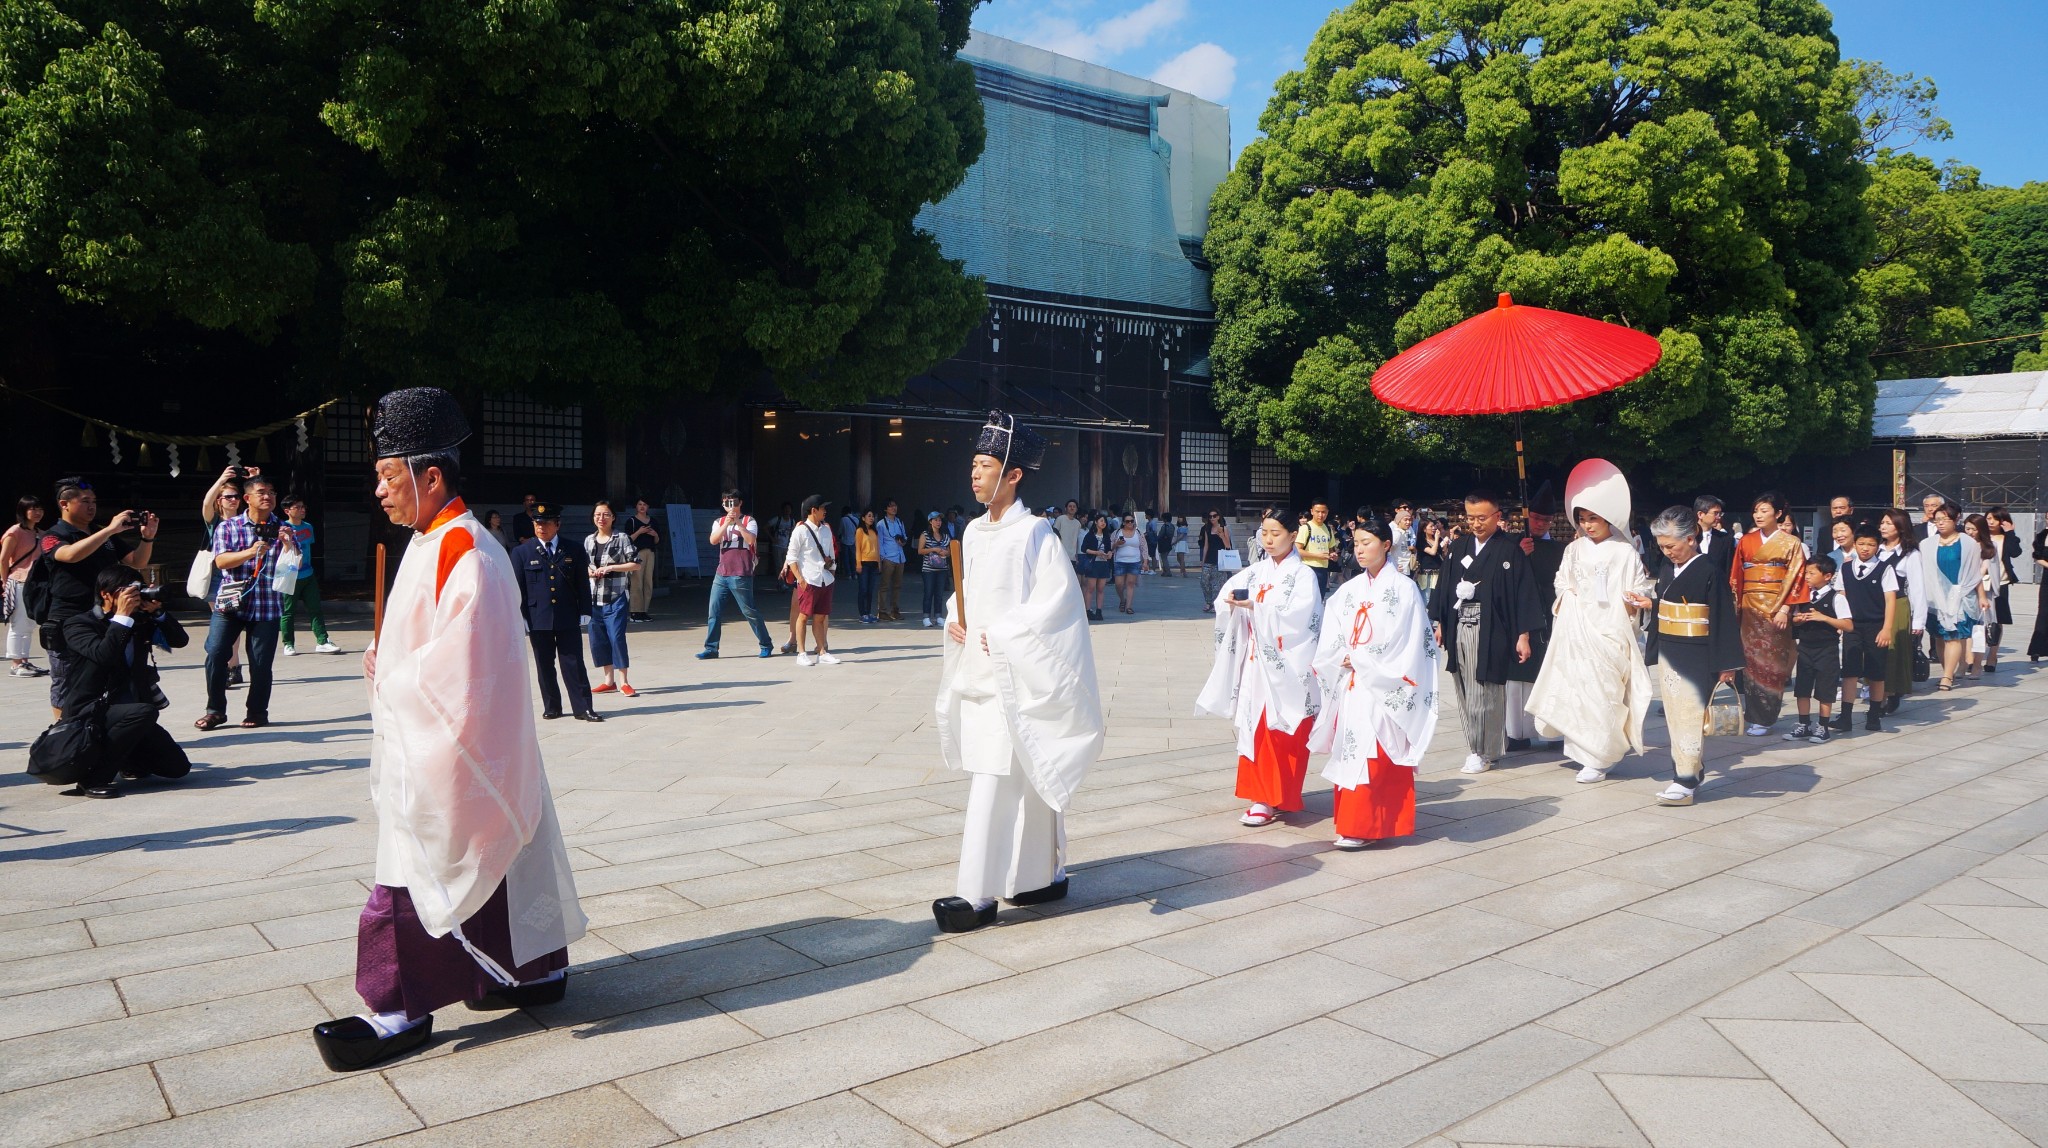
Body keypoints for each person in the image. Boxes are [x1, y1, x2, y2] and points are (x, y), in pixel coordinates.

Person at [313, 386, 586, 1073]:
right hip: (471, 742)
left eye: (386, 476)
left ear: (430, 476)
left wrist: (397, 678)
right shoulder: (433, 540)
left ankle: (396, 1006)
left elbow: (466, 671)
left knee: (413, 869)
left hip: (453, 740)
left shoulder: (468, 551)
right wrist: (392, 659)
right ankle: (531, 969)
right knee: (505, 846)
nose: (379, 491)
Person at [931, 411, 1101, 933]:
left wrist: (1008, 636)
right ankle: (1039, 877)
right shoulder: (975, 532)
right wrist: (955, 619)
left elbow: (1058, 603)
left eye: (985, 466)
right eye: (973, 465)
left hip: (1015, 667)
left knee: (1001, 777)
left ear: (1013, 474)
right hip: (982, 667)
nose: (974, 475)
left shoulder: (1035, 533)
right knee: (1020, 773)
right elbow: (970, 594)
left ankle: (976, 894)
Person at [1524, 460, 1655, 783]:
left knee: (1606, 691)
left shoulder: (1625, 552)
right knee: (1580, 690)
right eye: (1582, 519)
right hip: (1578, 629)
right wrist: (1570, 599)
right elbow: (1561, 582)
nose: (1587, 525)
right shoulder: (1574, 549)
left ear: (1607, 518)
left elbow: (1638, 586)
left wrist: (1632, 604)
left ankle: (1603, 752)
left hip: (1610, 631)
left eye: (1593, 518)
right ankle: (1586, 752)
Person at [1310, 520, 1438, 848]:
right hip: (1354, 683)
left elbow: (1408, 642)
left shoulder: (1404, 589)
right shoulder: (1349, 590)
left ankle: (1368, 826)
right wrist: (1340, 655)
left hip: (1384, 684)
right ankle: (1355, 823)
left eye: (1367, 542)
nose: (1361, 549)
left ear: (1386, 544)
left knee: (1376, 754)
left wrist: (1365, 660)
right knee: (1353, 748)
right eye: (1356, 544)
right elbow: (1334, 629)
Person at [1198, 508, 1324, 827]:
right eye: (1264, 533)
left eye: (1276, 534)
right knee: (1257, 728)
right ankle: (1261, 797)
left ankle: (1276, 795)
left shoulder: (1303, 575)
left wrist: (1258, 606)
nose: (1268, 540)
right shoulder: (1256, 572)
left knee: (1283, 730)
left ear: (1293, 535)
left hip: (1287, 667)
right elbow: (1226, 597)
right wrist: (1232, 604)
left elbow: (1303, 619)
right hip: (1257, 663)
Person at [45, 565, 193, 797]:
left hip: (130, 709)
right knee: (144, 712)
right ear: (106, 594)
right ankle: (92, 780)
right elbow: (104, 655)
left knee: (177, 768)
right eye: (129, 591)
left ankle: (128, 759)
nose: (135, 596)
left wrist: (158, 614)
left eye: (139, 589)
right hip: (90, 711)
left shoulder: (139, 620)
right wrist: (122, 618)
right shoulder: (79, 624)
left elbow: (180, 640)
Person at [1632, 507, 1743, 806]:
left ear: (1691, 538)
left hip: (1699, 653)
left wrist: (1726, 665)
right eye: (1663, 547)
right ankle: (1689, 770)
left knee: (1691, 716)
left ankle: (1685, 780)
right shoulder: (1668, 569)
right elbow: (1667, 603)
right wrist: (1650, 604)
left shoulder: (1709, 571)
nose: (1667, 552)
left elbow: (1722, 617)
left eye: (1672, 545)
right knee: (1674, 716)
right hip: (1671, 648)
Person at [1426, 490, 1538, 775]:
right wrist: (1440, 623)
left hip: (1494, 628)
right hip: (1460, 624)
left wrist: (1522, 634)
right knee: (1464, 686)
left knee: (1487, 688)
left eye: (1482, 518)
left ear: (1497, 517)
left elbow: (1522, 593)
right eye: (1470, 517)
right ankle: (1478, 747)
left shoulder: (1509, 549)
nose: (1475, 524)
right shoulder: (1460, 546)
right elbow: (1445, 586)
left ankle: (1483, 750)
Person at [41, 478, 160, 719]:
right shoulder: (53, 535)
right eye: (84, 501)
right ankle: (63, 732)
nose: (91, 506)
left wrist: (147, 537)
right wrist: (109, 529)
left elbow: (137, 562)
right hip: (68, 617)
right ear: (64, 504)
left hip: (104, 615)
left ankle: (104, 727)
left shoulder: (100, 533)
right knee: (65, 678)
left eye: (94, 501)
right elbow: (70, 555)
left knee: (106, 673)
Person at [198, 476, 294, 731]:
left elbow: (292, 568)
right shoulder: (229, 527)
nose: (268, 496)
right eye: (261, 492)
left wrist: (289, 547)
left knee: (261, 664)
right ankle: (215, 710)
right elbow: (221, 561)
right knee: (216, 653)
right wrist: (252, 551)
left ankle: (257, 712)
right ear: (247, 498)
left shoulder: (283, 528)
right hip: (230, 603)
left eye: (272, 492)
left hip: (266, 605)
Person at [512, 503, 601, 722]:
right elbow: (517, 587)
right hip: (537, 616)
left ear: (557, 524)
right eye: (537, 523)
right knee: (544, 664)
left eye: (546, 523)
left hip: (567, 614)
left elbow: (582, 582)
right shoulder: (522, 552)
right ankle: (552, 706)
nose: (541, 527)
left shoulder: (573, 549)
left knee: (573, 663)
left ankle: (583, 707)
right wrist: (520, 615)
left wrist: (585, 610)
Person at [1731, 491, 1806, 735]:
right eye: (1756, 511)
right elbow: (1736, 576)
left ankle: (1765, 717)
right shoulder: (1746, 541)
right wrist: (1736, 609)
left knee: (1772, 661)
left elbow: (1797, 577)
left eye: (1764, 510)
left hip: (1776, 606)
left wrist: (1786, 608)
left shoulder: (1791, 542)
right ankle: (1752, 713)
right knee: (1750, 662)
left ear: (1779, 513)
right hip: (1749, 606)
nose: (1759, 515)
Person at [1508, 483, 1567, 751]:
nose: (1540, 523)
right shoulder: (1511, 544)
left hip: (1550, 618)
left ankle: (1552, 732)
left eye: (1545, 519)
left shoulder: (1560, 551)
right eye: (1536, 518)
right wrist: (1519, 556)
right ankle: (1517, 732)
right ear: (1527, 517)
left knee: (1551, 672)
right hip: (1520, 618)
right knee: (1519, 676)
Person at [1832, 521, 1898, 732]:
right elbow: (1840, 595)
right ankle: (1845, 716)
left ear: (1877, 546)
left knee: (1876, 672)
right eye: (1861, 543)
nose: (1865, 548)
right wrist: (1839, 622)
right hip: (1852, 626)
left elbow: (1890, 600)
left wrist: (1887, 628)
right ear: (1855, 544)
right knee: (1849, 671)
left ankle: (1874, 715)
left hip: (1876, 626)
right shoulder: (1845, 568)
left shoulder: (1884, 568)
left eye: (1870, 544)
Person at [699, 490, 774, 659]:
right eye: (726, 503)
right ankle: (711, 648)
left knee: (749, 611)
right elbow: (713, 540)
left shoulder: (749, 521)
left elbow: (750, 540)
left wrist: (738, 522)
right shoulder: (718, 522)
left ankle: (765, 644)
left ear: (740, 503)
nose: (729, 505)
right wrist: (727, 523)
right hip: (722, 572)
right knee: (714, 611)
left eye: (733, 502)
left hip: (741, 572)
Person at [1921, 501, 1987, 691]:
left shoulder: (1968, 543)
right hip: (1935, 596)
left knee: (1954, 635)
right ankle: (1946, 670)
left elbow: (1974, 574)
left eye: (1945, 519)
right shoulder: (1926, 544)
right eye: (1937, 520)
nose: (1940, 523)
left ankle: (1948, 676)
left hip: (1960, 594)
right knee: (1939, 636)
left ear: (1956, 519)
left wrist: (1981, 596)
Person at [1786, 557, 1848, 744]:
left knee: (1825, 688)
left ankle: (1823, 725)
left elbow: (1848, 624)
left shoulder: (1836, 598)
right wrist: (1797, 620)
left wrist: (1824, 618)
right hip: (1805, 647)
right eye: (1806, 573)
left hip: (1826, 649)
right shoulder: (1803, 597)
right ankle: (1803, 723)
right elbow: (1794, 618)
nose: (1807, 577)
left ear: (1827, 576)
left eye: (1812, 573)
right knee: (1802, 688)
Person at [584, 501, 638, 697]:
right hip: (594, 598)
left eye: (606, 514)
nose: (601, 518)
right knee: (598, 639)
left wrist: (611, 568)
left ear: (613, 517)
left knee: (616, 637)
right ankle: (609, 681)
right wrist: (591, 572)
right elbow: (586, 565)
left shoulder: (621, 538)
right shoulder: (589, 540)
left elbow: (635, 564)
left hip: (616, 596)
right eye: (598, 514)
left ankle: (624, 681)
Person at [279, 495, 342, 657]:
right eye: (297, 507)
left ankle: (322, 640)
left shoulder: (308, 527)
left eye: (303, 507)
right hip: (290, 575)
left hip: (308, 574)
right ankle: (288, 644)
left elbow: (308, 548)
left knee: (315, 609)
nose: (302, 510)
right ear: (287, 511)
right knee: (288, 611)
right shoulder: (282, 527)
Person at [1876, 508, 1925, 714]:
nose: (1883, 526)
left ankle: (1891, 693)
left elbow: (1917, 588)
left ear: (1900, 526)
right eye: (1882, 523)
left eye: (1888, 523)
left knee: (1893, 650)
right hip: (1874, 605)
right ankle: (1876, 692)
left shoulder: (1910, 554)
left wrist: (1918, 622)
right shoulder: (1875, 549)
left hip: (1897, 605)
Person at [784, 495, 840, 665]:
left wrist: (832, 575)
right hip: (808, 579)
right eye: (822, 508)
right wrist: (800, 579)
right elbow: (791, 557)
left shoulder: (826, 530)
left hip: (825, 579)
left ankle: (821, 651)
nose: (825, 511)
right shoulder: (800, 530)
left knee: (821, 617)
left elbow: (831, 555)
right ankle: (801, 653)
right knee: (803, 616)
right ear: (813, 510)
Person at [5, 494, 48, 676]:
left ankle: (25, 661)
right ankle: (16, 663)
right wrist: (4, 580)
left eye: (39, 509)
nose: (37, 512)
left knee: (29, 624)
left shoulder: (41, 533)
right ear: (23, 511)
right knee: (19, 624)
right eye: (33, 509)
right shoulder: (14, 532)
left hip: (34, 584)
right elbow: (3, 558)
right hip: (18, 581)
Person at [1962, 513, 2003, 678]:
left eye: (1974, 529)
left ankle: (1977, 665)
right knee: (1963, 629)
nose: (1970, 532)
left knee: (1978, 629)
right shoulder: (1962, 544)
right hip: (1963, 591)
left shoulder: (1988, 547)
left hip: (1982, 592)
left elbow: (1986, 570)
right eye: (1967, 529)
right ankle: (1966, 661)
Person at [1985, 508, 2020, 672]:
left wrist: (2010, 532)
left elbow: (2015, 552)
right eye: (1988, 518)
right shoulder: (1980, 537)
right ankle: (1975, 656)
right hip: (1980, 584)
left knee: (1997, 620)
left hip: (2001, 583)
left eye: (1995, 519)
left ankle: (1992, 656)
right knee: (1978, 621)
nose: (1990, 521)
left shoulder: (2006, 538)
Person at [620, 499, 661, 622]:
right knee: (636, 581)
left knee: (648, 582)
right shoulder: (631, 521)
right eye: (639, 504)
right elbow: (627, 540)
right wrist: (639, 531)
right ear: (636, 506)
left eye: (644, 505)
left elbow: (657, 541)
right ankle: (634, 612)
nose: (642, 507)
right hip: (637, 553)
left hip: (650, 552)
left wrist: (654, 534)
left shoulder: (653, 521)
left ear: (648, 506)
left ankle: (644, 611)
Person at [877, 500, 909, 621]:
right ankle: (882, 611)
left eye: (895, 506)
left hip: (900, 557)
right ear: (886, 509)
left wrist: (903, 541)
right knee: (884, 585)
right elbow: (879, 542)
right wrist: (882, 558)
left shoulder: (899, 522)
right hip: (888, 557)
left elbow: (905, 536)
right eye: (890, 506)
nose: (893, 508)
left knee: (897, 585)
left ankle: (895, 610)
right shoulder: (881, 524)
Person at [917, 511, 952, 627]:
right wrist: (934, 549)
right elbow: (920, 550)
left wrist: (946, 552)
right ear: (930, 521)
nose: (938, 522)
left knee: (939, 594)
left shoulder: (945, 535)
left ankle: (939, 616)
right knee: (928, 592)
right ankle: (926, 617)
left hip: (942, 568)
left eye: (940, 520)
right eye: (936, 520)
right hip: (928, 569)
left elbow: (949, 551)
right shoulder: (925, 534)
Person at [1078, 512, 1114, 621]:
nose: (1103, 523)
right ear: (1096, 522)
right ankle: (1088, 610)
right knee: (1091, 588)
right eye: (1101, 521)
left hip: (1103, 563)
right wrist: (1096, 552)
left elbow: (1109, 548)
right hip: (1093, 563)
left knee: (1101, 588)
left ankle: (1099, 611)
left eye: (1105, 521)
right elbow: (1084, 549)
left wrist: (1109, 554)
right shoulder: (1090, 535)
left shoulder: (1106, 536)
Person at [1296, 501, 1338, 594]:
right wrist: (1317, 556)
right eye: (1317, 511)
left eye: (1323, 512)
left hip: (1323, 570)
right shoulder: (1305, 528)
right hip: (1307, 568)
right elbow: (1297, 550)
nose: (1320, 515)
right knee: (1306, 599)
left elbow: (1331, 549)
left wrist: (1333, 555)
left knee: (1319, 599)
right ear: (1312, 511)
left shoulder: (1328, 529)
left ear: (1327, 512)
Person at [1199, 510, 1234, 610]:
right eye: (1210, 516)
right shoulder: (1207, 529)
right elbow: (1206, 545)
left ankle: (1215, 603)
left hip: (1220, 560)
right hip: (1209, 558)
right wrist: (1203, 560)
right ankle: (1208, 601)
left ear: (1218, 517)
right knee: (1204, 581)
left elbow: (1228, 546)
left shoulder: (1224, 528)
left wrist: (1222, 535)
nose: (1212, 518)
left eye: (1214, 516)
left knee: (1217, 584)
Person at [1695, 496, 1735, 580]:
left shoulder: (1725, 539)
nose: (1719, 517)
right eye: (1715, 513)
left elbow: (1728, 569)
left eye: (1720, 513)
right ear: (1700, 514)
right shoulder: (1685, 538)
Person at [1112, 514, 1145, 614]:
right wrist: (1117, 544)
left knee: (1130, 584)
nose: (1130, 523)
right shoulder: (1117, 533)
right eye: (1127, 521)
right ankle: (1122, 599)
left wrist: (1146, 561)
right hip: (1120, 561)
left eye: (1131, 521)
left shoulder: (1138, 533)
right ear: (1123, 523)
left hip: (1134, 561)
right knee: (1119, 584)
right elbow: (1110, 546)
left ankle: (1128, 606)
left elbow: (1144, 547)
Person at [853, 508, 881, 623]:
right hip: (864, 563)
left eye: (872, 516)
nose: (871, 518)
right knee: (863, 589)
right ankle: (862, 613)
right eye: (869, 516)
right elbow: (858, 549)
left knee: (870, 590)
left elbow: (877, 548)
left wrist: (879, 563)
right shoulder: (860, 531)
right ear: (863, 518)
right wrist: (858, 563)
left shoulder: (874, 532)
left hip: (873, 563)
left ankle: (868, 612)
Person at [2031, 520, 2048, 662]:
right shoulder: (2042, 536)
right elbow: (2037, 557)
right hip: (2047, 579)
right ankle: (2037, 649)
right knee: (2043, 612)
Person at [1416, 516, 1445, 595]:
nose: (1434, 528)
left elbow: (1444, 553)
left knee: (1438, 596)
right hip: (1426, 573)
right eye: (1431, 526)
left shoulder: (1439, 539)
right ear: (1424, 529)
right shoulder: (1421, 541)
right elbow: (1432, 552)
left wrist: (1445, 546)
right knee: (1427, 597)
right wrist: (1436, 539)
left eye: (1434, 526)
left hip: (1439, 571)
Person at [1053, 500, 1084, 571]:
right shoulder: (1060, 519)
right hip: (1060, 554)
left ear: (1076, 509)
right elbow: (1054, 534)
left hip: (1072, 556)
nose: (1072, 508)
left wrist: (1076, 555)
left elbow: (1076, 540)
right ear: (1065, 508)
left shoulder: (1077, 523)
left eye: (1074, 507)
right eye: (1070, 506)